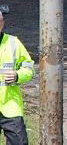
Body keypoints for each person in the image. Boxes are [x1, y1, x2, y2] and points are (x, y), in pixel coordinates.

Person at [0, 9, 34, 145]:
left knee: (19, 142)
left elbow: (29, 68)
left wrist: (17, 75)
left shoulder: (13, 43)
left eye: (0, 20)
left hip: (10, 106)